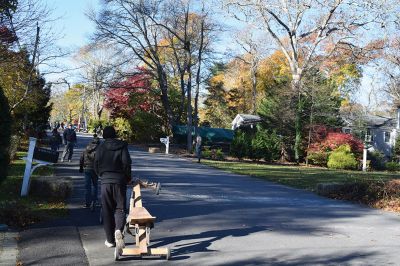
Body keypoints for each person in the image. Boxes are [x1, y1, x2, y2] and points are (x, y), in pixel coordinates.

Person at [94, 126, 131, 253]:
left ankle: (110, 240)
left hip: (105, 181)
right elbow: (127, 163)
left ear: (104, 135)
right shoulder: (122, 146)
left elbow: (96, 164)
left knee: (107, 210)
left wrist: (101, 175)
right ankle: (118, 230)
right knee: (120, 207)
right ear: (114, 134)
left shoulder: (101, 147)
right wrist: (127, 178)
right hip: (120, 180)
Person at [79, 134, 100, 210]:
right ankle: (94, 201)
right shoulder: (100, 150)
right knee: (95, 186)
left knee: (87, 187)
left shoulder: (86, 148)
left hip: (87, 169)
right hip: (96, 170)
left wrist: (81, 168)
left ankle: (87, 203)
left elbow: (81, 158)